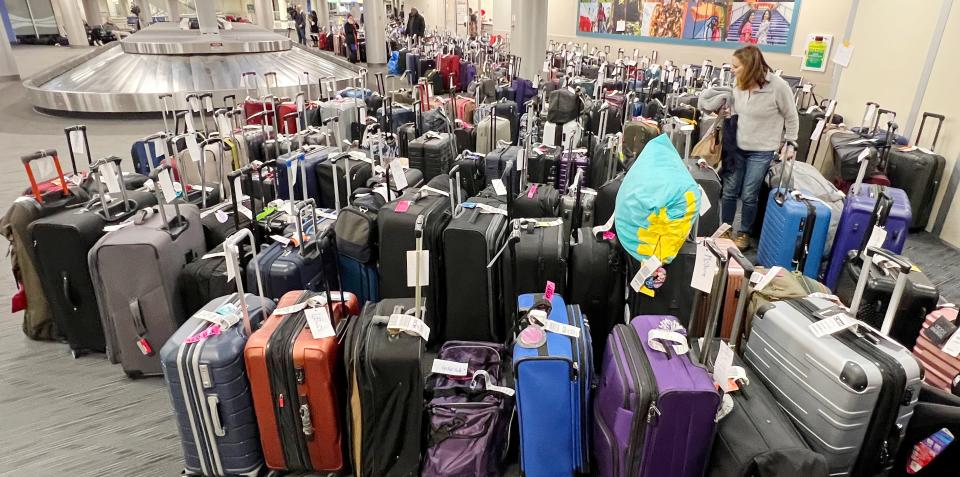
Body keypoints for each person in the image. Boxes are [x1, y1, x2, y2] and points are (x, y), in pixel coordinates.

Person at [720, 45, 799, 250]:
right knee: (729, 190)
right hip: (737, 146)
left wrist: (790, 144)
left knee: (749, 194)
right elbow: (737, 109)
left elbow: (791, 117)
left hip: (761, 150)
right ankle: (725, 228)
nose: (732, 69)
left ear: (750, 67)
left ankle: (744, 232)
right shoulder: (739, 83)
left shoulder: (778, 87)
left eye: (736, 66)